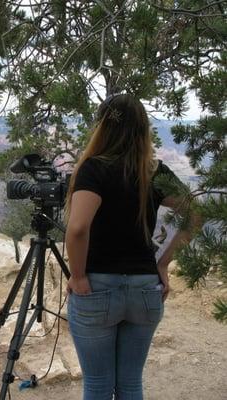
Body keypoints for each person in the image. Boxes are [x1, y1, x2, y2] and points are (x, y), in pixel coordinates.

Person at [64, 94, 197, 400]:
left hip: (97, 288)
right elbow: (195, 213)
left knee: (98, 385)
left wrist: (78, 275)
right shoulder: (154, 170)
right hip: (144, 290)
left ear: (101, 127)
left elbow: (78, 227)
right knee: (130, 384)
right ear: (143, 129)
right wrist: (162, 264)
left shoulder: (93, 169)